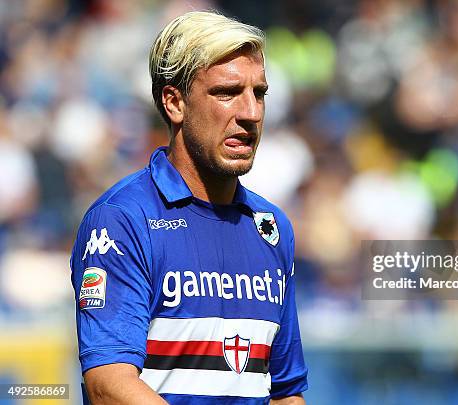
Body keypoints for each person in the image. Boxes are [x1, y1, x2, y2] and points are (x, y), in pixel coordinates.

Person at [70, 11, 308, 405]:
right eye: (227, 93)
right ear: (174, 102)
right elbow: (108, 386)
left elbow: (284, 392)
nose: (251, 113)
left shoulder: (271, 227)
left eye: (259, 93)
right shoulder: (123, 219)